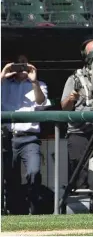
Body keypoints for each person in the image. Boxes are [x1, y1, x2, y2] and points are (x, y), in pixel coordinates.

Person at [1, 57, 50, 215]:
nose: (21, 68)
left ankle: (34, 210)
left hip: (29, 138)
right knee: (10, 177)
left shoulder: (39, 84)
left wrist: (34, 81)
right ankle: (15, 213)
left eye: (24, 64)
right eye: (17, 64)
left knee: (34, 172)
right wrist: (3, 75)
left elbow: (42, 103)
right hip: (8, 137)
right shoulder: (5, 84)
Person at [60, 39, 93, 194]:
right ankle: (82, 210)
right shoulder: (75, 78)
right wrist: (71, 99)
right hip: (80, 133)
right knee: (81, 173)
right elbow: (64, 107)